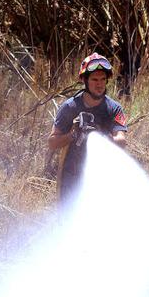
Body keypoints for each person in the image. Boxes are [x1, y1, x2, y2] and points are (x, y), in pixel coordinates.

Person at [47, 53, 128, 206]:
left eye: (103, 79)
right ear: (85, 81)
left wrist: (104, 137)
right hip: (71, 177)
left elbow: (122, 141)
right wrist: (73, 134)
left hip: (102, 179)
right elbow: (52, 142)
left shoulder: (114, 108)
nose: (100, 84)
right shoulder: (70, 107)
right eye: (95, 80)